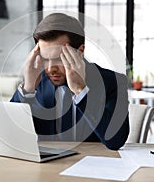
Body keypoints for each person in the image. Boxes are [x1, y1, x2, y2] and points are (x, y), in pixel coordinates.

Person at [10, 13, 129, 150]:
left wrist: (81, 91)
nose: (50, 69)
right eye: (44, 58)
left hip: (92, 166)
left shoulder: (114, 82)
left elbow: (115, 141)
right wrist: (28, 89)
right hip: (46, 168)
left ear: (80, 51)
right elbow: (9, 134)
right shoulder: (36, 82)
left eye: (58, 59)